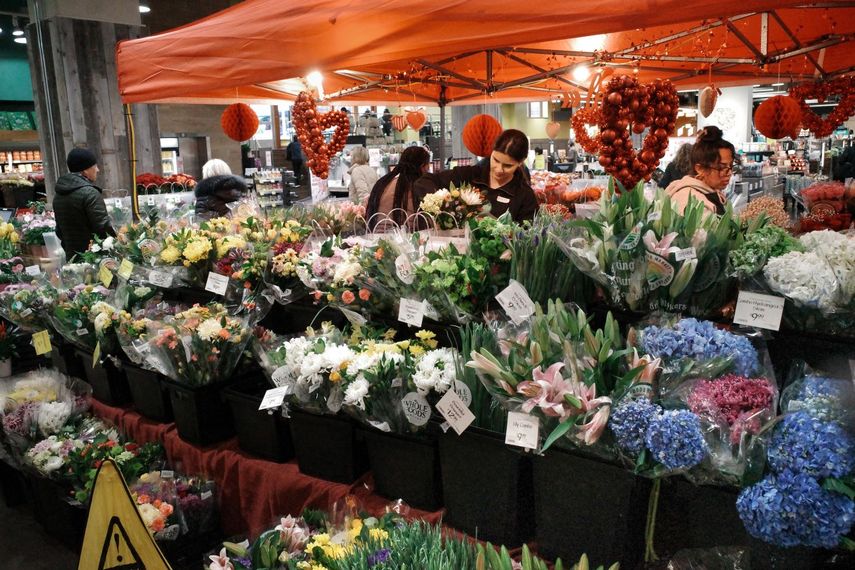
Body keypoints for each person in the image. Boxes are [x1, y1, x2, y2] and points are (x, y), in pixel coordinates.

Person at [414, 128, 538, 222]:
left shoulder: (524, 196)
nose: (499, 169)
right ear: (492, 152)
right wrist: (439, 201)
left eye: (508, 166)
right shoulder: (469, 175)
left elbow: (526, 239)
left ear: (520, 162)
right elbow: (425, 181)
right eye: (495, 160)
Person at [53, 147, 116, 258]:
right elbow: (103, 228)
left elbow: (59, 231)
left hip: (72, 257)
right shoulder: (90, 193)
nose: (98, 170)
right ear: (85, 170)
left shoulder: (59, 195)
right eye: (95, 166)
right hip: (94, 258)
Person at [665, 127, 735, 215]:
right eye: (721, 167)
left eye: (731, 166)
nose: (729, 173)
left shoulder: (712, 192)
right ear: (700, 169)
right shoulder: (688, 199)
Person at [365, 146, 431, 229]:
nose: (428, 168)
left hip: (375, 234)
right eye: (428, 165)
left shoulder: (384, 182)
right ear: (422, 166)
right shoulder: (416, 187)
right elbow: (421, 222)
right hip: (403, 237)